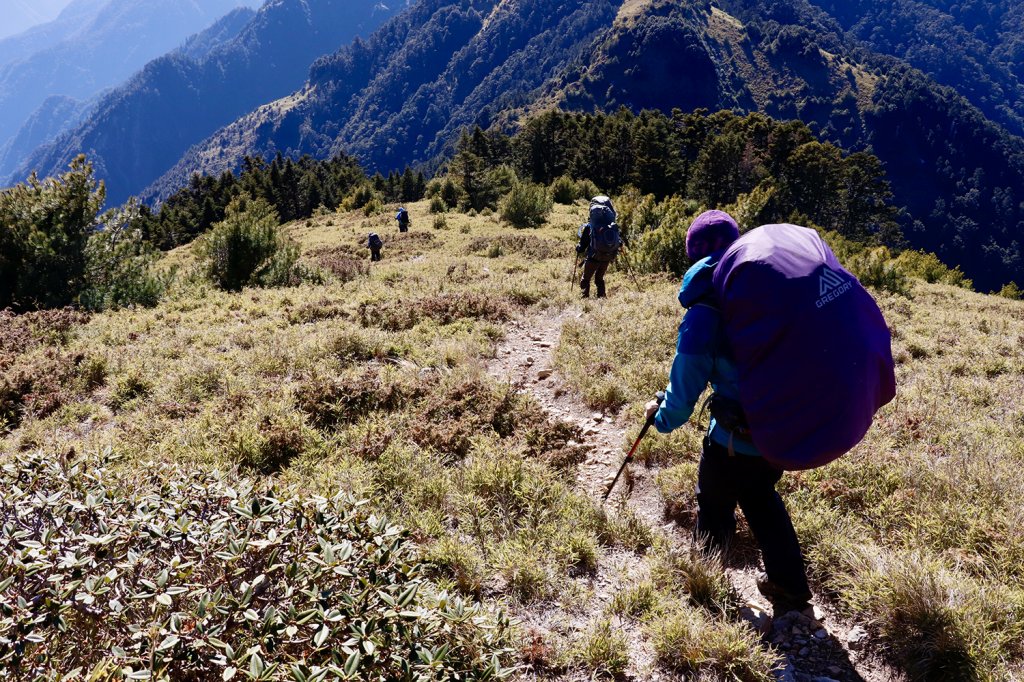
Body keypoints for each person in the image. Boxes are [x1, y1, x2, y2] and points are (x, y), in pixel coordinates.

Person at [644, 209, 812, 615]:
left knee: (715, 506)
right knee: (762, 499)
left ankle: (704, 587)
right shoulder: (773, 289)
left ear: (698, 256)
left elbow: (684, 391)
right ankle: (790, 588)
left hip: (731, 438)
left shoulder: (706, 311)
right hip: (778, 429)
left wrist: (659, 416)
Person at [576, 196, 621, 298]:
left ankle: (584, 297)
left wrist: (579, 248)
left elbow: (583, 245)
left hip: (593, 257)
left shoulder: (590, 226)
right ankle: (601, 296)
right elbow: (619, 242)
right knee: (599, 279)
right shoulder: (612, 225)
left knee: (586, 278)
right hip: (607, 257)